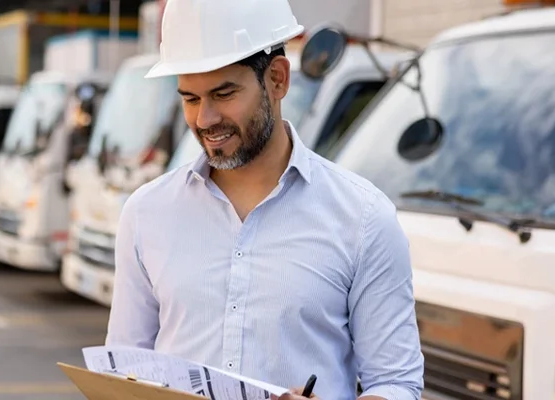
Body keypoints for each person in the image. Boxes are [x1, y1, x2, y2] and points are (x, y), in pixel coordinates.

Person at [104, 0, 425, 399]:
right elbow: (123, 373)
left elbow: (397, 384)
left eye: (223, 93)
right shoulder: (145, 214)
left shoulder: (363, 218)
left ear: (277, 78)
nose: (204, 120)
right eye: (190, 98)